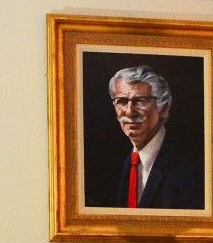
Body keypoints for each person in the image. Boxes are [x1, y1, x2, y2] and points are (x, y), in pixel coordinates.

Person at [85, 65, 205, 210]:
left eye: (141, 100)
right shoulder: (107, 163)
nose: (129, 112)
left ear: (164, 108)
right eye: (122, 101)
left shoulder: (192, 169)